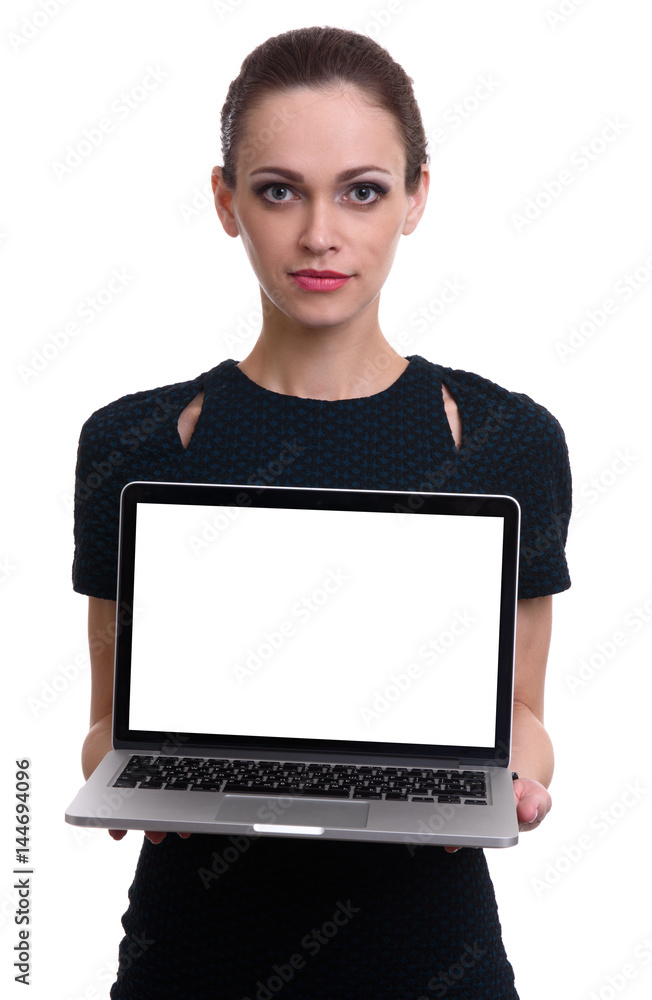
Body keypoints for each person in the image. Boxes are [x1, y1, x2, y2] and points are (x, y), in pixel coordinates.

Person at [72, 25, 571, 999]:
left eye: (361, 190)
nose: (318, 235)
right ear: (225, 202)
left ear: (417, 195)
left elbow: (523, 714)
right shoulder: (132, 442)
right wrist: (133, 774)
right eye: (277, 190)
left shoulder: (506, 439)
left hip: (430, 957)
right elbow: (104, 726)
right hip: (194, 956)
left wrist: (504, 779)